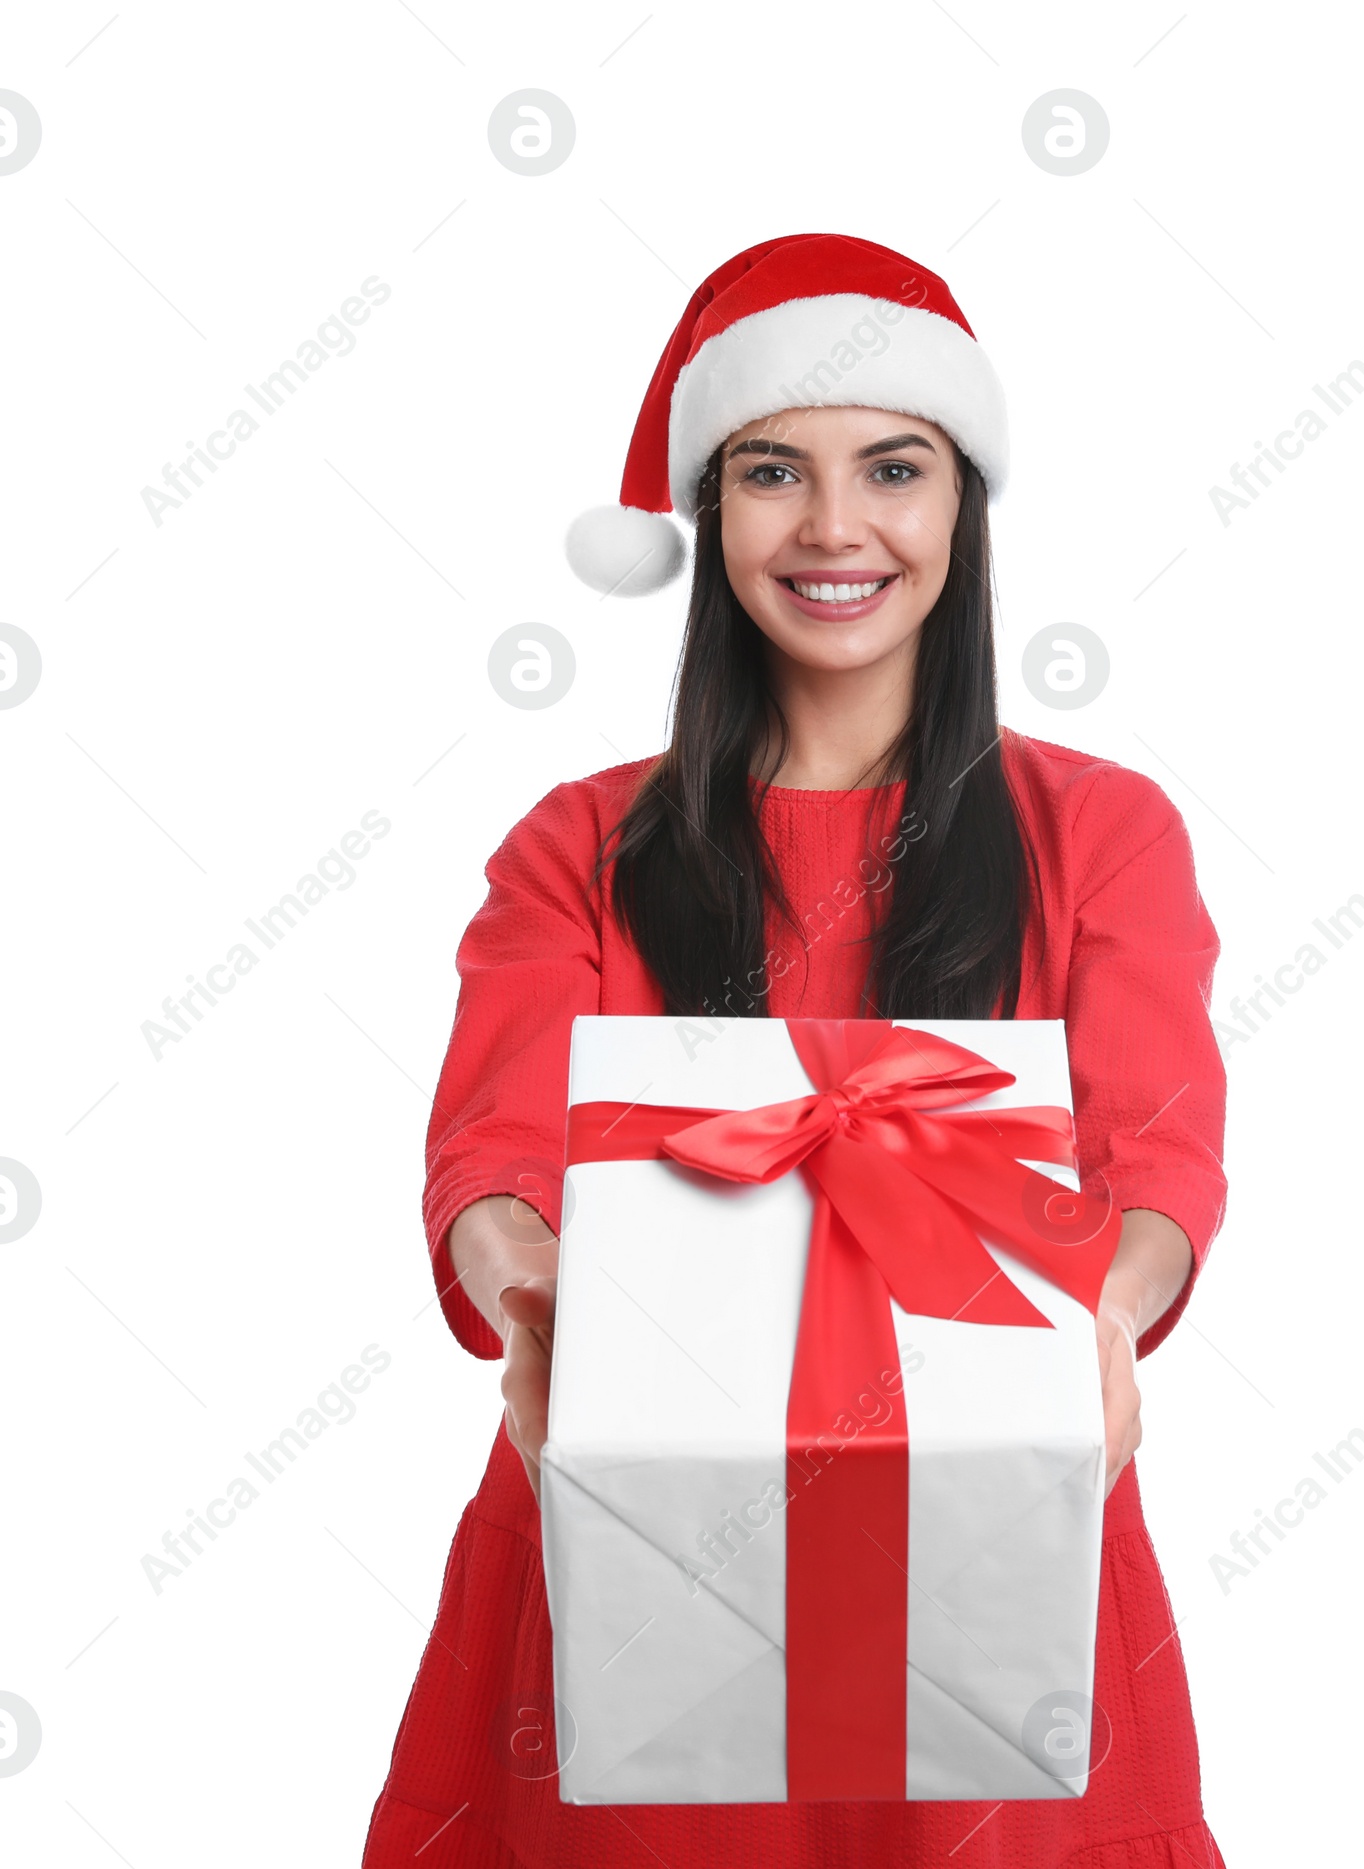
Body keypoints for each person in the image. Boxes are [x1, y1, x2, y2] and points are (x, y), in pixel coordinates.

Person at [362, 233, 1229, 1868]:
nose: (835, 528)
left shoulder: (1098, 832)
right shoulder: (579, 844)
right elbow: (491, 1162)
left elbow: (1153, 1154)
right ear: (707, 515)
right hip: (624, 1532)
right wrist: (538, 1305)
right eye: (773, 471)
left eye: (891, 469)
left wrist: (1100, 1321)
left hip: (995, 1535)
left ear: (962, 502)